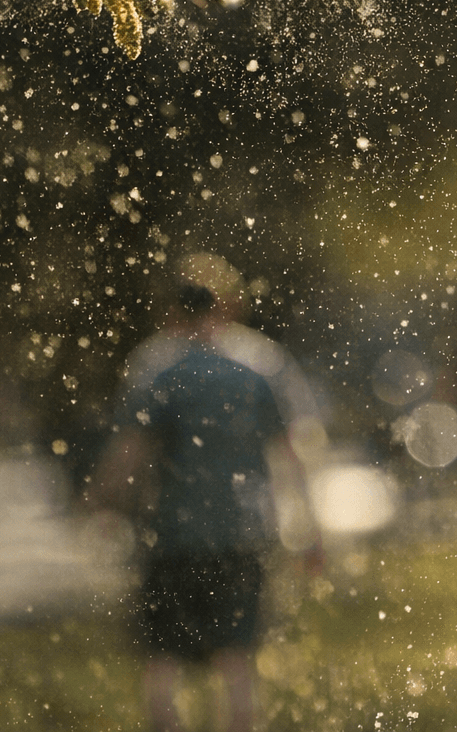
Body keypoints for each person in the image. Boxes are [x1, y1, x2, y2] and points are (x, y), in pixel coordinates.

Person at [90, 253, 320, 732]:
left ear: (172, 309)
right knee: (236, 661)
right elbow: (295, 454)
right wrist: (310, 530)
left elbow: (129, 453)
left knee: (162, 661)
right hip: (241, 534)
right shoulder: (261, 365)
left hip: (170, 535)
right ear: (232, 304)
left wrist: (100, 502)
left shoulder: (157, 366)